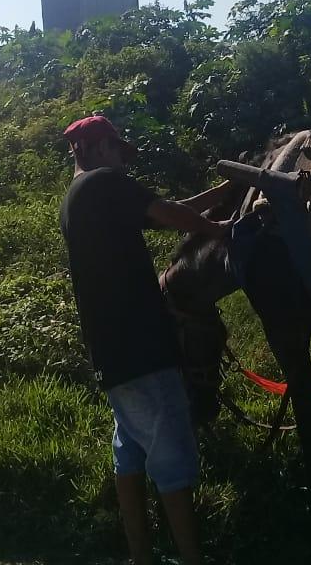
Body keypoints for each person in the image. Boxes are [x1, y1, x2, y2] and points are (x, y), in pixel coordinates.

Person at [59, 114, 230, 565]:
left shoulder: (80, 197)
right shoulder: (105, 184)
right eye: (118, 151)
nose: (122, 162)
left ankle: (142, 557)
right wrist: (219, 230)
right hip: (143, 350)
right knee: (172, 459)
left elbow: (168, 206)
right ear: (96, 148)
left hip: (114, 352)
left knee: (130, 454)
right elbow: (172, 214)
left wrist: (216, 197)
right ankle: (192, 559)